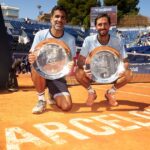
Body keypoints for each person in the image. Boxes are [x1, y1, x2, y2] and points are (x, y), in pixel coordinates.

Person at [75, 13, 133, 107]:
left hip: (112, 74)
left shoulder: (117, 40)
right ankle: (91, 93)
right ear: (96, 27)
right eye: (100, 24)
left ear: (109, 26)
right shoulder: (88, 40)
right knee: (78, 72)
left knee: (129, 74)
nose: (103, 27)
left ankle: (110, 92)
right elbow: (80, 61)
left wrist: (121, 70)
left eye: (105, 24)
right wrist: (86, 68)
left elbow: (125, 61)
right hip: (93, 75)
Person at [28, 5, 76, 114]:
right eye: (57, 16)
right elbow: (32, 54)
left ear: (66, 20)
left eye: (63, 17)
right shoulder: (40, 35)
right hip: (42, 73)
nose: (59, 20)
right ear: (51, 19)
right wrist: (31, 57)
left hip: (57, 76)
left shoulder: (70, 39)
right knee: (35, 64)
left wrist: (71, 64)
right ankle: (41, 99)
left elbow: (70, 60)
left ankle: (52, 93)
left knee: (67, 106)